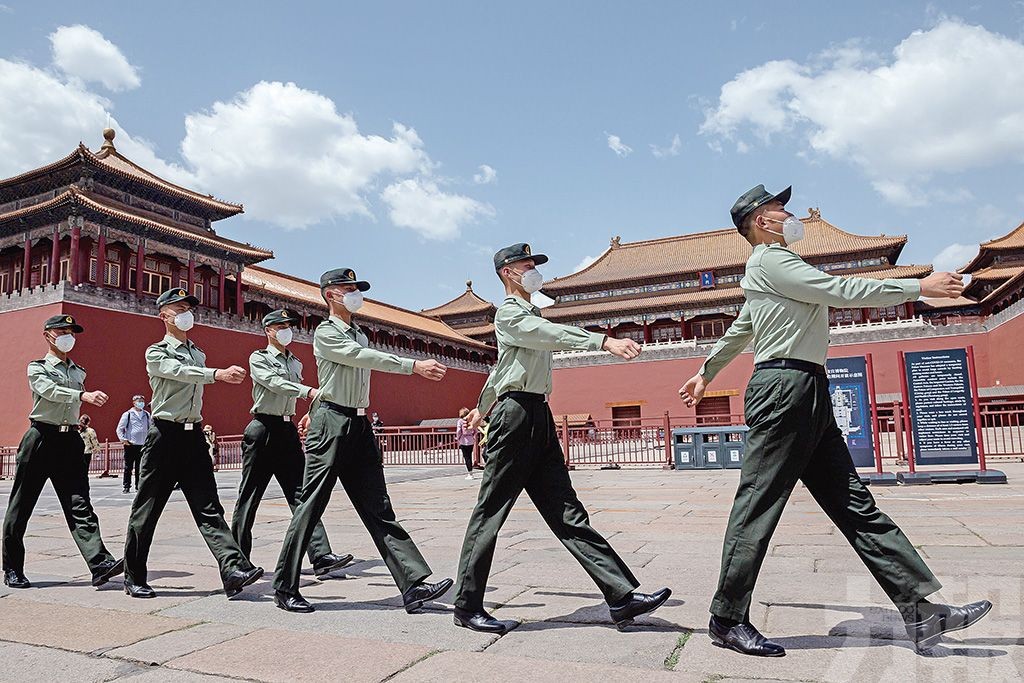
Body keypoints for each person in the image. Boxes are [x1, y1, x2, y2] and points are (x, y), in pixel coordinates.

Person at [679, 184, 992, 656]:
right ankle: (726, 618)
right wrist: (916, 286)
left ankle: (921, 610)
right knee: (758, 505)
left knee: (853, 503)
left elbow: (743, 327)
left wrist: (705, 372)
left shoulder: (767, 272)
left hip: (806, 389)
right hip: (785, 389)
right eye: (780, 208)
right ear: (762, 221)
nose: (790, 213)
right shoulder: (772, 260)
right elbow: (839, 289)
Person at [455, 244, 671, 634]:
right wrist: (602, 341)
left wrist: (479, 406)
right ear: (507, 273)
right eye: (527, 265)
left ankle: (620, 596)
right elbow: (544, 335)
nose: (534, 270)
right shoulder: (510, 314)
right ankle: (467, 605)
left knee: (566, 509)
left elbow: (502, 368)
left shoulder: (529, 313)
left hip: (536, 412)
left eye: (534, 264)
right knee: (491, 510)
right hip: (516, 415)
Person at [272, 268, 453, 614]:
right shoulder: (326, 333)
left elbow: (338, 376)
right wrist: (412, 366)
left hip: (358, 423)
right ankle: (284, 585)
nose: (355, 293)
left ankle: (413, 584)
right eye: (347, 288)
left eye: (357, 288)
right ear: (329, 295)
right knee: (311, 505)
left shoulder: (360, 332)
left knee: (378, 506)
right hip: (333, 423)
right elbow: (358, 359)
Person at [122, 288, 263, 600]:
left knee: (209, 506)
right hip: (164, 436)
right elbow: (181, 373)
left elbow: (192, 369)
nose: (186, 312)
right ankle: (133, 576)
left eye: (189, 307)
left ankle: (232, 568)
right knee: (147, 509)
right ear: (163, 315)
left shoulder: (197, 352)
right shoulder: (156, 352)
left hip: (193, 435)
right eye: (179, 307)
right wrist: (217, 374)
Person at [230, 308, 353, 579]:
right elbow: (274, 384)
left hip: (286, 430)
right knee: (250, 497)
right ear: (269, 331)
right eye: (281, 326)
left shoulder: (296, 362)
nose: (287, 330)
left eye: (289, 325)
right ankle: (237, 561)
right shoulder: (258, 358)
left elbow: (309, 394)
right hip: (262, 428)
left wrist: (311, 409)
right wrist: (307, 391)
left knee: (302, 495)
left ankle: (320, 555)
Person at [2, 314, 123, 589]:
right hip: (41, 438)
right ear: (48, 335)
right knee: (21, 507)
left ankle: (99, 563)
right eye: (62, 330)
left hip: (70, 442)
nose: (68, 335)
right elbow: (48, 391)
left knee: (80, 504)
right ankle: (12, 568)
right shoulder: (38, 367)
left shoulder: (78, 371)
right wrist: (82, 396)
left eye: (72, 331)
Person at [116, 395, 150, 494]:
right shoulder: (128, 414)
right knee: (128, 467)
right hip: (130, 444)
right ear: (134, 402)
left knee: (140, 467)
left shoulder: (147, 415)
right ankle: (126, 486)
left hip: (143, 444)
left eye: (142, 401)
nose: (141, 403)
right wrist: (123, 439)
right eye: (139, 401)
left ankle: (138, 486)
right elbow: (120, 428)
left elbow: (151, 427)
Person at [456, 407, 477, 480]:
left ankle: (470, 473)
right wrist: (473, 436)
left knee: (466, 457)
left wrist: (458, 438)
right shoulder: (471, 420)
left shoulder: (460, 421)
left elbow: (459, 431)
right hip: (471, 440)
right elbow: (475, 430)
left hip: (463, 440)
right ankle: (470, 473)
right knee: (470, 456)